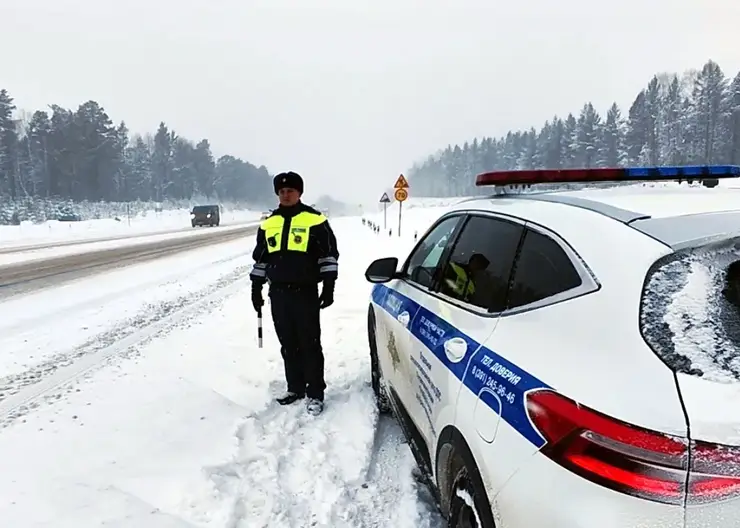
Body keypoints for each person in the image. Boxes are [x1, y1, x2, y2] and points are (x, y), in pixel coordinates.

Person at [249, 171, 339, 415]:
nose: (285, 194)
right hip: (278, 293)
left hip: (305, 292)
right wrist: (256, 287)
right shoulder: (269, 223)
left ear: (299, 193)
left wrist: (329, 287)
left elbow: (328, 256)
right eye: (281, 191)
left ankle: (315, 393)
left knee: (309, 343)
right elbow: (261, 259)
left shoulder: (315, 220)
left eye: (290, 191)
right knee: (288, 343)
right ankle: (295, 387)